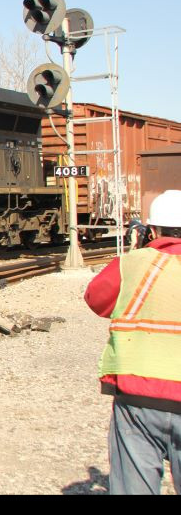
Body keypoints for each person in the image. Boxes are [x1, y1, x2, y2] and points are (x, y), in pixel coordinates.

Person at [85, 189, 181, 494]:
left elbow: (96, 299)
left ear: (150, 230)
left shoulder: (132, 264)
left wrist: (138, 251)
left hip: (137, 397)